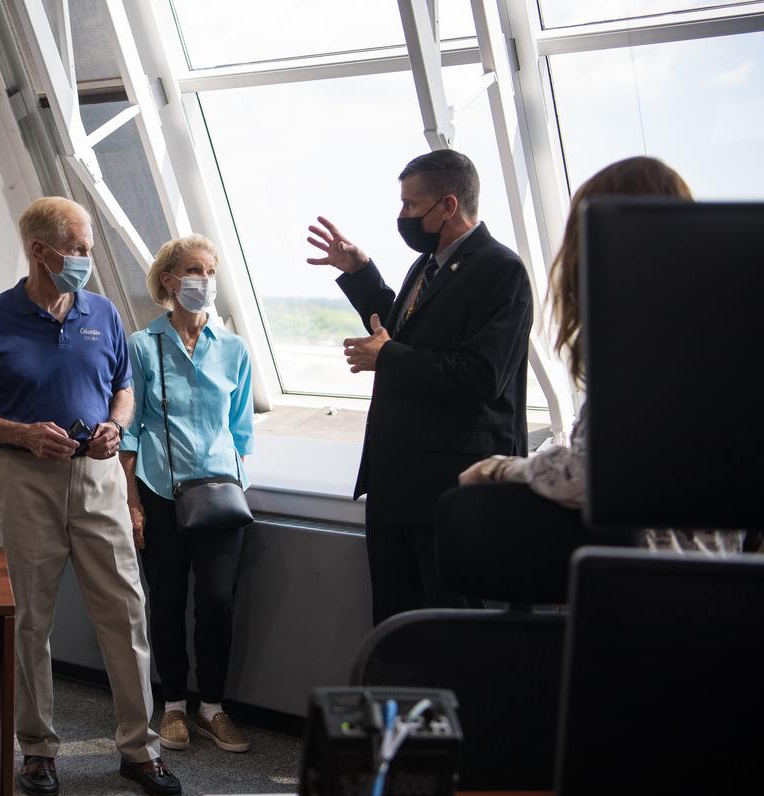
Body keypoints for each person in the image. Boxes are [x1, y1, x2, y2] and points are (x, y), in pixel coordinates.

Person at [0, 196, 181, 796]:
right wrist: (20, 431)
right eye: (77, 248)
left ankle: (139, 750)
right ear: (40, 251)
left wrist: (116, 425)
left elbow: (123, 390)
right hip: (26, 479)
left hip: (99, 477)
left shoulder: (103, 314)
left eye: (86, 246)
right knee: (28, 620)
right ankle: (38, 750)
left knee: (126, 611)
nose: (86, 258)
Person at [457, 156, 753, 554]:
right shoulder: (716, 345)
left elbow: (591, 475)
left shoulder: (648, 360)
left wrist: (502, 469)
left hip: (655, 589)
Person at [307, 149, 533, 623]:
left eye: (411, 206)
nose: (402, 216)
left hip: (448, 491)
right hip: (397, 483)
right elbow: (403, 328)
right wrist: (360, 271)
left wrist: (387, 357)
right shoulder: (429, 264)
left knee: (451, 631)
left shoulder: (500, 271)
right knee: (397, 626)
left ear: (448, 206)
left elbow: (483, 375)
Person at [120, 235, 255, 755]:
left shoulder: (235, 349)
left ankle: (213, 708)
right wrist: (132, 503)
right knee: (168, 600)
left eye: (211, 270)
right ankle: (173, 705)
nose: (206, 280)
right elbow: (129, 434)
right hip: (158, 490)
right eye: (195, 270)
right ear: (170, 280)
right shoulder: (142, 344)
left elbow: (241, 429)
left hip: (221, 491)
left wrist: (241, 484)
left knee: (218, 600)